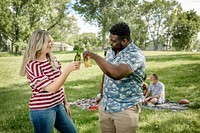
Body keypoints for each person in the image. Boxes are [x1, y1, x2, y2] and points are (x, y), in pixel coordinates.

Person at [83, 22, 146, 133]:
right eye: (110, 39)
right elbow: (106, 72)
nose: (110, 42)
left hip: (125, 108)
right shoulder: (112, 51)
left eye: (113, 41)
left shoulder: (135, 54)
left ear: (124, 41)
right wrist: (102, 94)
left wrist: (95, 56)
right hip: (106, 106)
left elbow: (116, 73)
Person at [20, 30, 79, 133]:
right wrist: (67, 70)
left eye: (51, 41)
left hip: (58, 105)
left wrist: (65, 102)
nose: (51, 44)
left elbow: (59, 84)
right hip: (43, 110)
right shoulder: (33, 65)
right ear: (38, 43)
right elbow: (52, 89)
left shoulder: (52, 60)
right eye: (47, 41)